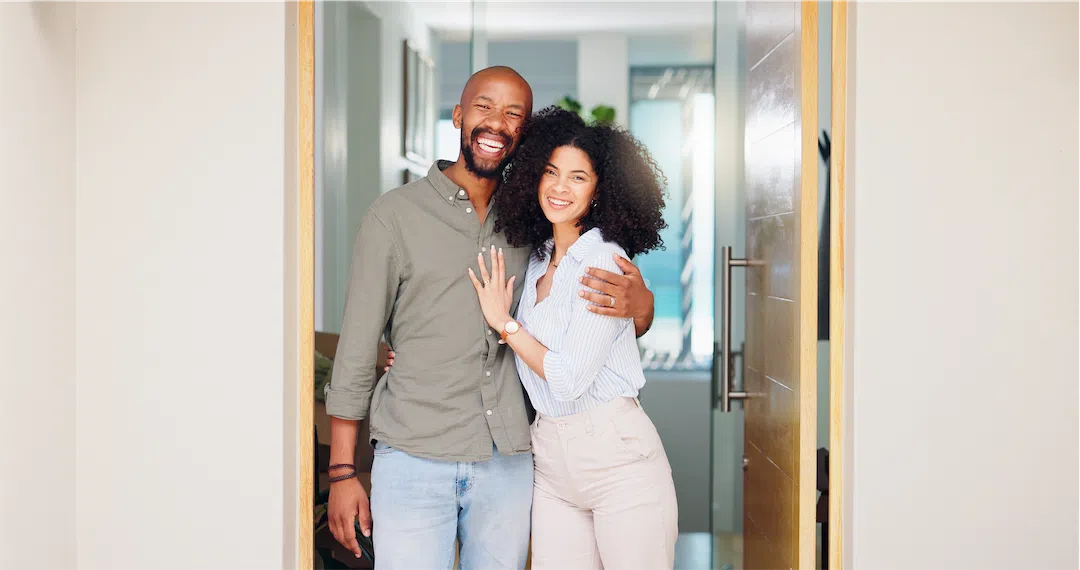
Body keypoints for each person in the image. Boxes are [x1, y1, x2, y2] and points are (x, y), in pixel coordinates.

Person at [323, 66, 657, 570]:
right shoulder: (393, 217)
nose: (497, 122)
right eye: (484, 107)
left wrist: (643, 306)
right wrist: (343, 471)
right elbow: (354, 349)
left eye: (513, 114)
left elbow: (596, 319)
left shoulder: (538, 221)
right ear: (459, 115)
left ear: (526, 133)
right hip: (413, 455)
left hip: (509, 461)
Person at [467, 106, 678, 570]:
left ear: (600, 190)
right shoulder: (538, 258)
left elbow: (567, 380)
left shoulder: (603, 261)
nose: (559, 187)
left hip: (617, 458)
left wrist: (505, 324)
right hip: (550, 459)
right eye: (551, 172)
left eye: (578, 177)